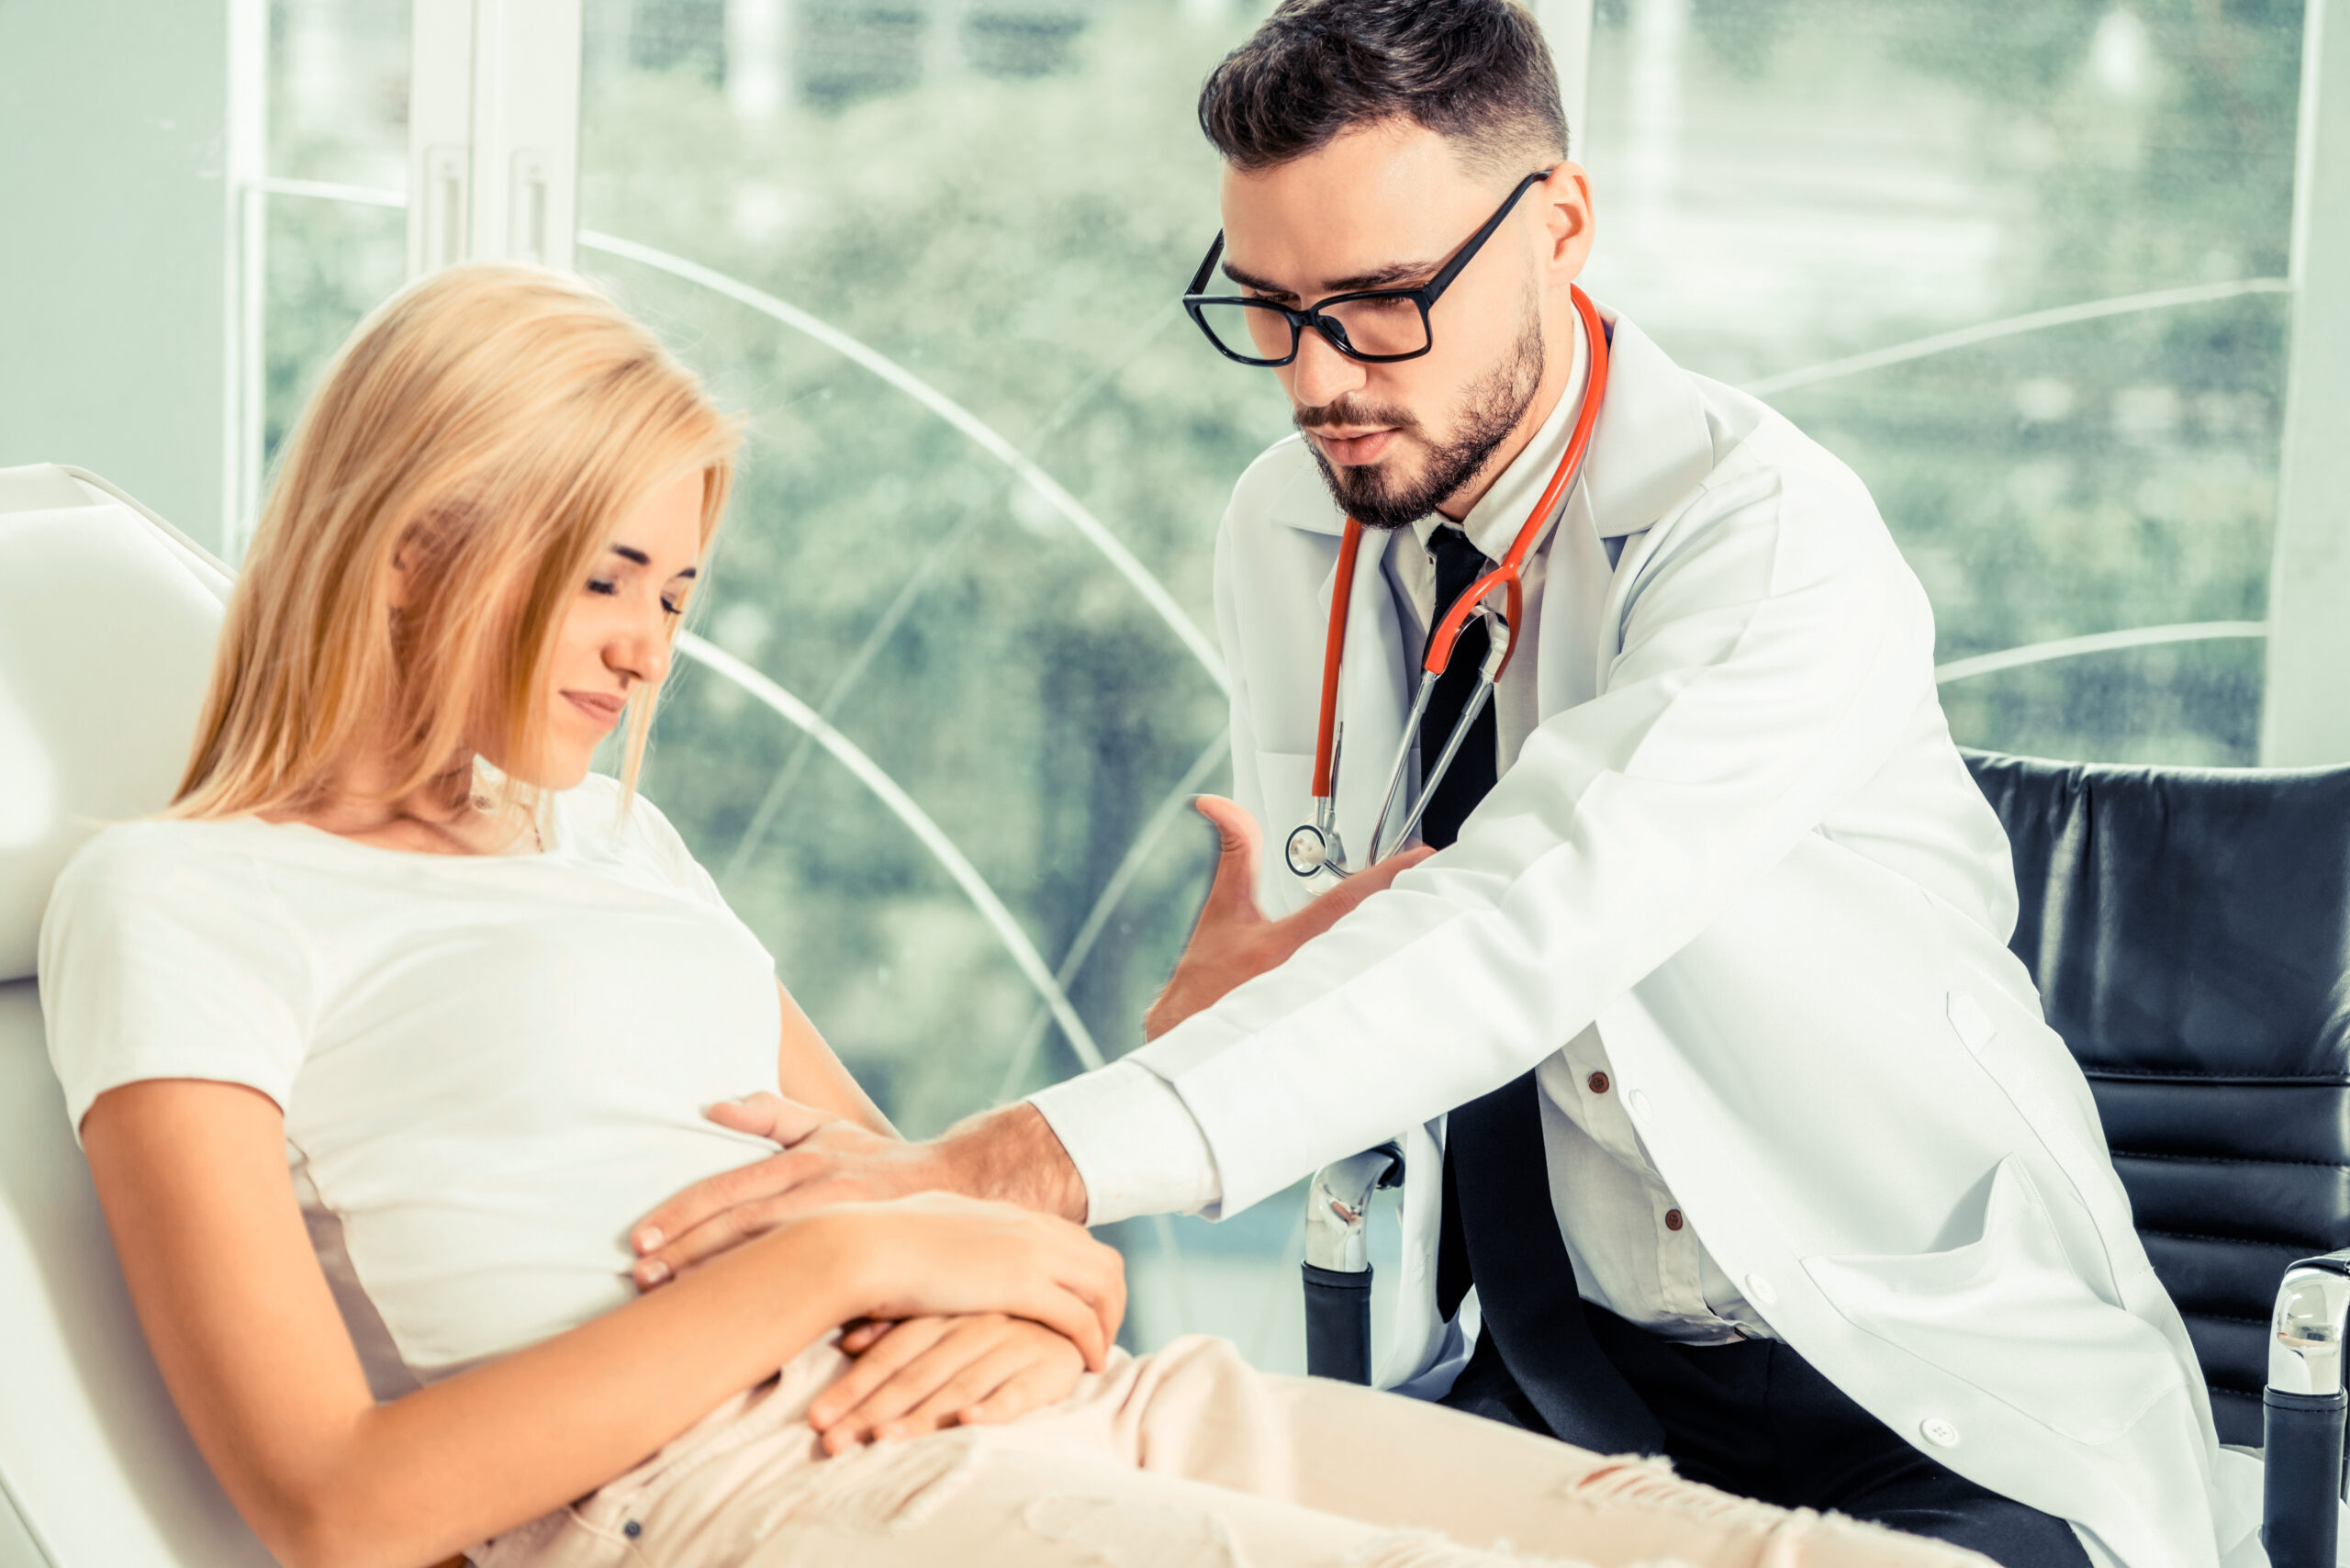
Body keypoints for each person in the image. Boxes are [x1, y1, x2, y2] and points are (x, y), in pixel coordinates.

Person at [615, 5, 2248, 1567]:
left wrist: (1003, 1170)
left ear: (1561, 225)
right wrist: (1226, 1027)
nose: (1322, 376)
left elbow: (1523, 916)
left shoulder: (1767, 540)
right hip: (1567, 1359)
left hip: (1901, 1362)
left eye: (1385, 299)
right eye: (1271, 306)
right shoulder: (1292, 526)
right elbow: (1374, 958)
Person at [36, 263, 1986, 1568]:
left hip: (1092, 1405)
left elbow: (951, 1211)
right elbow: (336, 1499)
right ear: (412, 552)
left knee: (1766, 1552)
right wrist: (830, 1270)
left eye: (678, 597)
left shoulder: (617, 855)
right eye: (606, 578)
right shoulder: (184, 897)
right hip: (744, 1497)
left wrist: (1056, 1274)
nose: (641, 652)